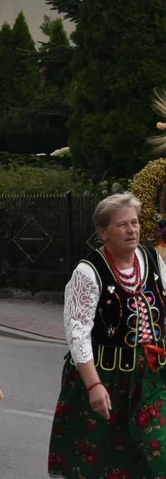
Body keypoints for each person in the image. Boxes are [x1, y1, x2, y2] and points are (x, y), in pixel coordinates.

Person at [48, 193, 166, 478]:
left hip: (150, 375)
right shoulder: (88, 272)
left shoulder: (152, 258)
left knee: (157, 446)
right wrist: (93, 386)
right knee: (102, 458)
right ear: (103, 232)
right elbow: (78, 334)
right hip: (105, 376)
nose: (132, 229)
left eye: (135, 222)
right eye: (122, 224)